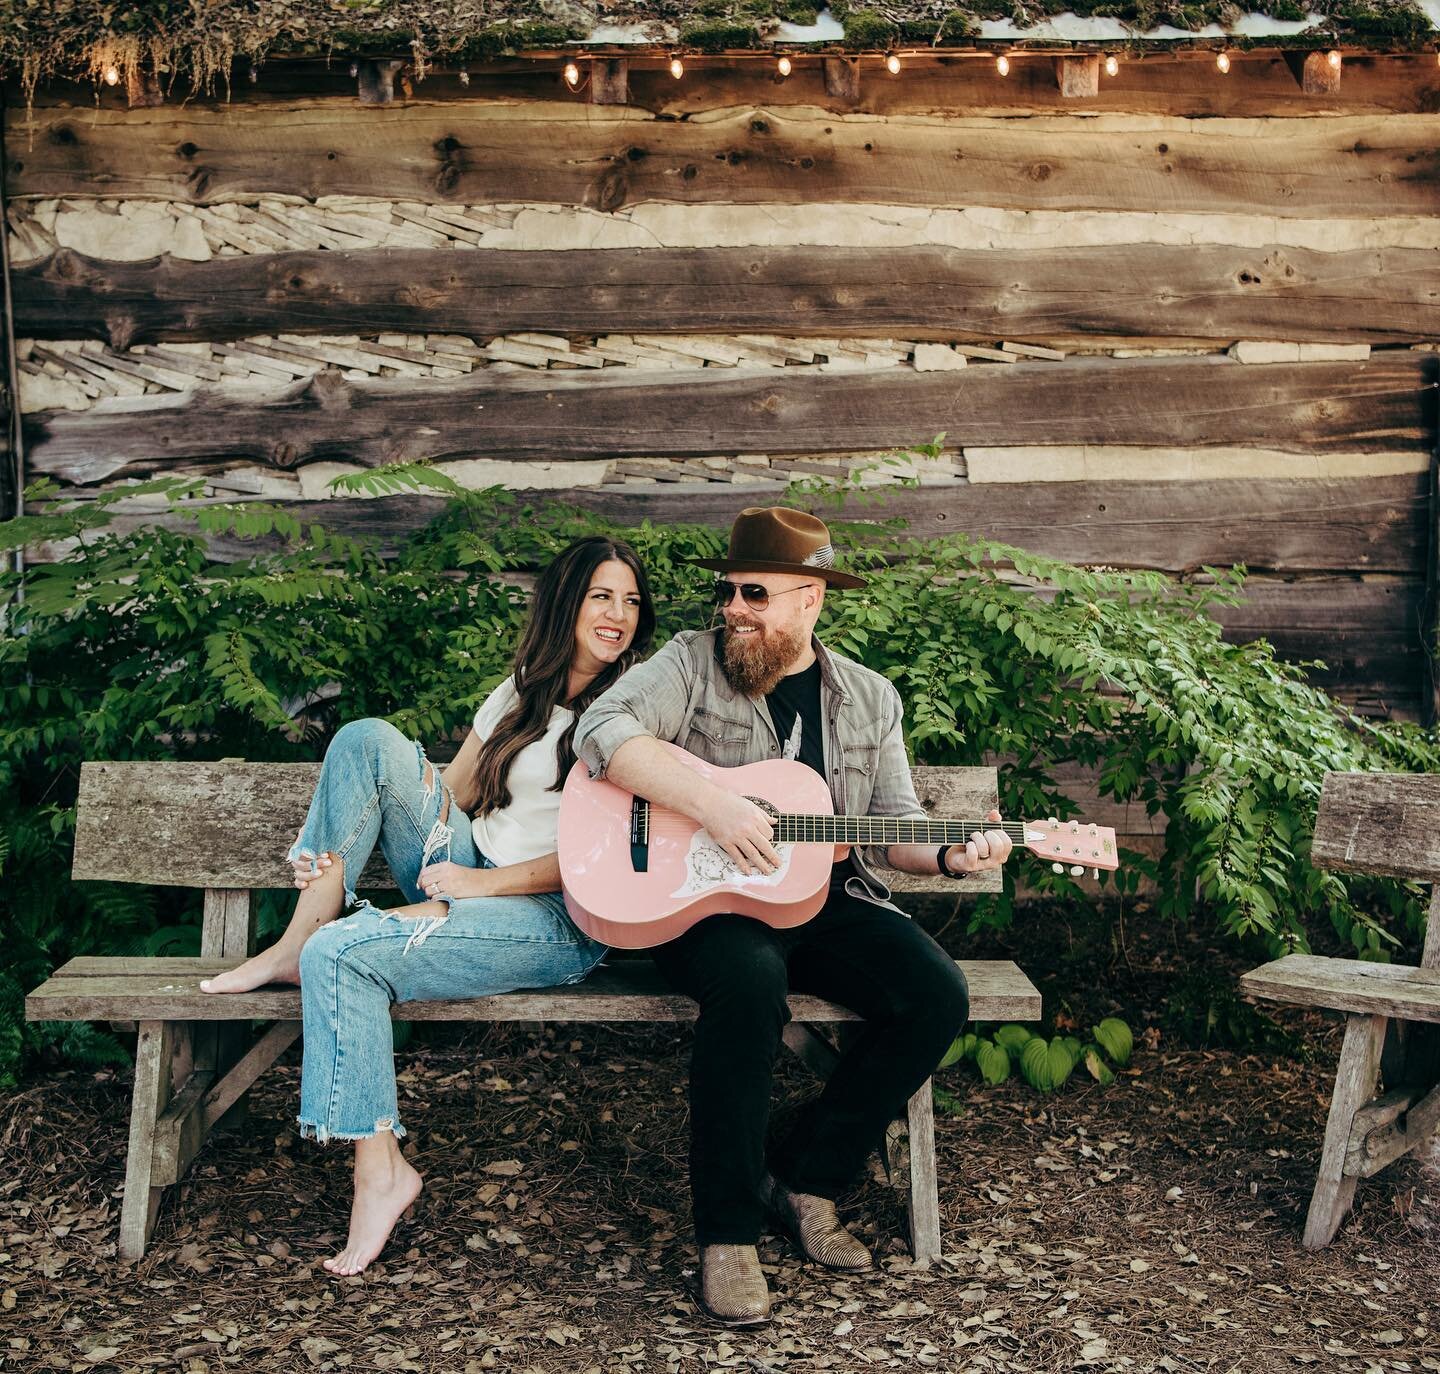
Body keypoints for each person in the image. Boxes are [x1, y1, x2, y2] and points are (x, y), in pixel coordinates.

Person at [573, 507, 1012, 1326]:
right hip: (702, 901)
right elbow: (600, 732)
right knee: (749, 981)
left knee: (934, 994)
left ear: (810, 599)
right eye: (729, 590)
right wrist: (711, 805)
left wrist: (952, 855)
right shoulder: (690, 664)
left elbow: (896, 827)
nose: (733, 607)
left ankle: (806, 1180)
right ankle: (728, 1235)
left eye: (755, 594)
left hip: (822, 897)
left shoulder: (869, 698)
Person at [200, 535, 656, 1275]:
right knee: (366, 739)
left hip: (557, 919)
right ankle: (295, 935)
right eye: (602, 595)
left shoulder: (633, 710)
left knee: (344, 955)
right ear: (565, 601)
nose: (618, 614)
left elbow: (610, 857)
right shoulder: (522, 688)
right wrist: (362, 821)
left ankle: (381, 1174)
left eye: (631, 600)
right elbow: (457, 795)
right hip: (472, 867)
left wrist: (482, 885)